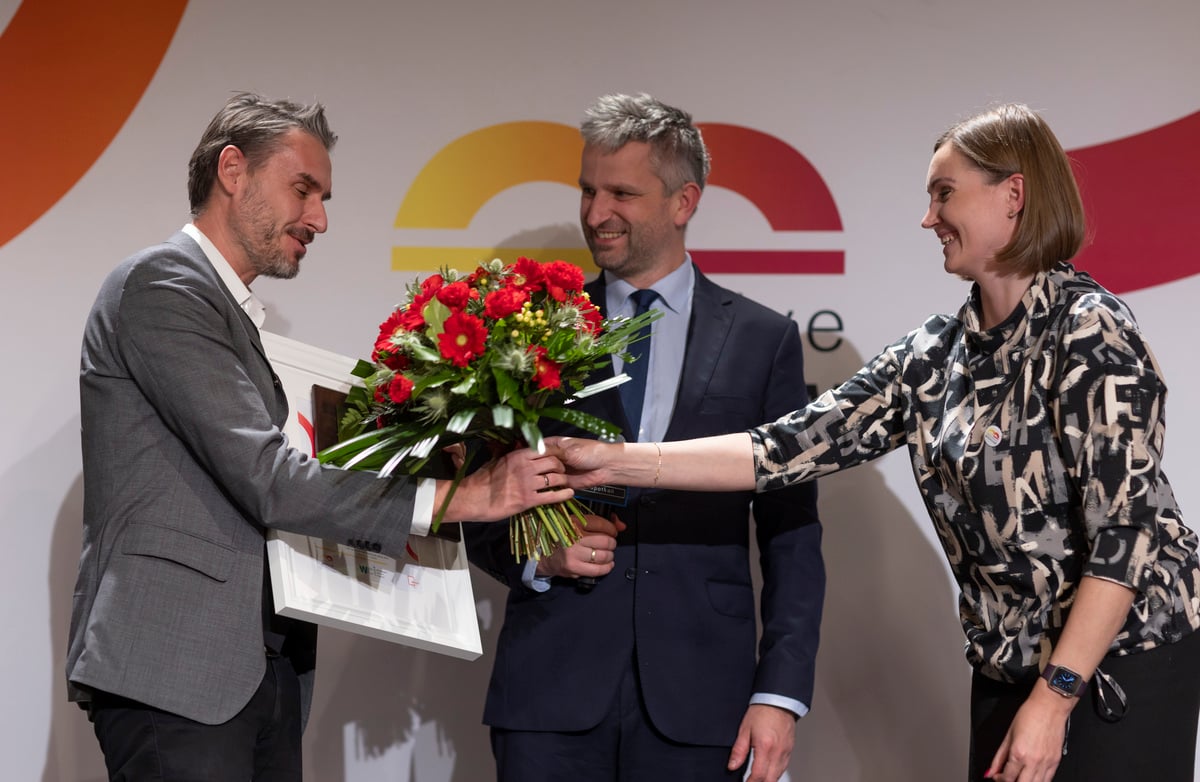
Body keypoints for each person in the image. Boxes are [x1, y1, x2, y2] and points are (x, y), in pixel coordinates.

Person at [554, 102, 1200, 782]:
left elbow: (1126, 535)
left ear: (1013, 194)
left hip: (1116, 667)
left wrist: (1055, 696)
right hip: (1008, 670)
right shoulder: (932, 355)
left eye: (944, 194)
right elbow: (781, 449)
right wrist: (616, 461)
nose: (928, 218)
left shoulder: (1088, 328)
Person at [66, 92, 571, 781]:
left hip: (262, 669)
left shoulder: (232, 314)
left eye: (323, 198)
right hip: (175, 669)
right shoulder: (163, 285)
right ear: (233, 170)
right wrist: (462, 498)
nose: (319, 219)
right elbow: (269, 479)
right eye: (302, 189)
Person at [465, 93, 824, 782]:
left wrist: (780, 695)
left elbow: (793, 534)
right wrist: (541, 556)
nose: (597, 213)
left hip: (703, 701)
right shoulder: (526, 329)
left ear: (684, 201)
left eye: (622, 194)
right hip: (549, 694)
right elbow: (477, 496)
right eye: (588, 191)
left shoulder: (763, 339)